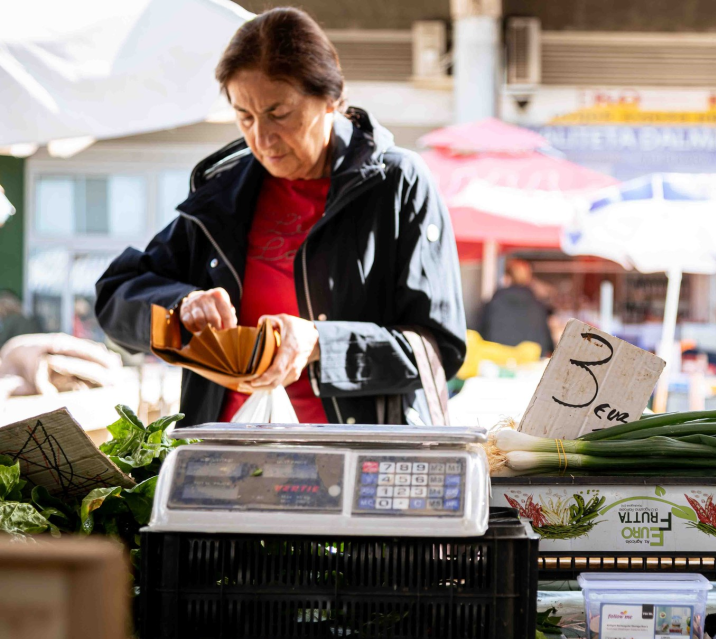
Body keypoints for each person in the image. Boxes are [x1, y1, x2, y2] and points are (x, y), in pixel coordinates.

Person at [95, 8, 466, 426]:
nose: (262, 138)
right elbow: (115, 297)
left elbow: (438, 349)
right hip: (227, 446)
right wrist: (180, 305)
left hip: (354, 453)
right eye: (245, 117)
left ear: (331, 99)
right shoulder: (222, 196)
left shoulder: (396, 183)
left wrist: (321, 343)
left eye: (279, 114)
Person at [478, 259, 554, 355]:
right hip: (530, 361)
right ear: (529, 279)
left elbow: (479, 334)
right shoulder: (538, 307)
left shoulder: (493, 304)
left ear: (506, 278)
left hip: (497, 359)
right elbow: (547, 342)